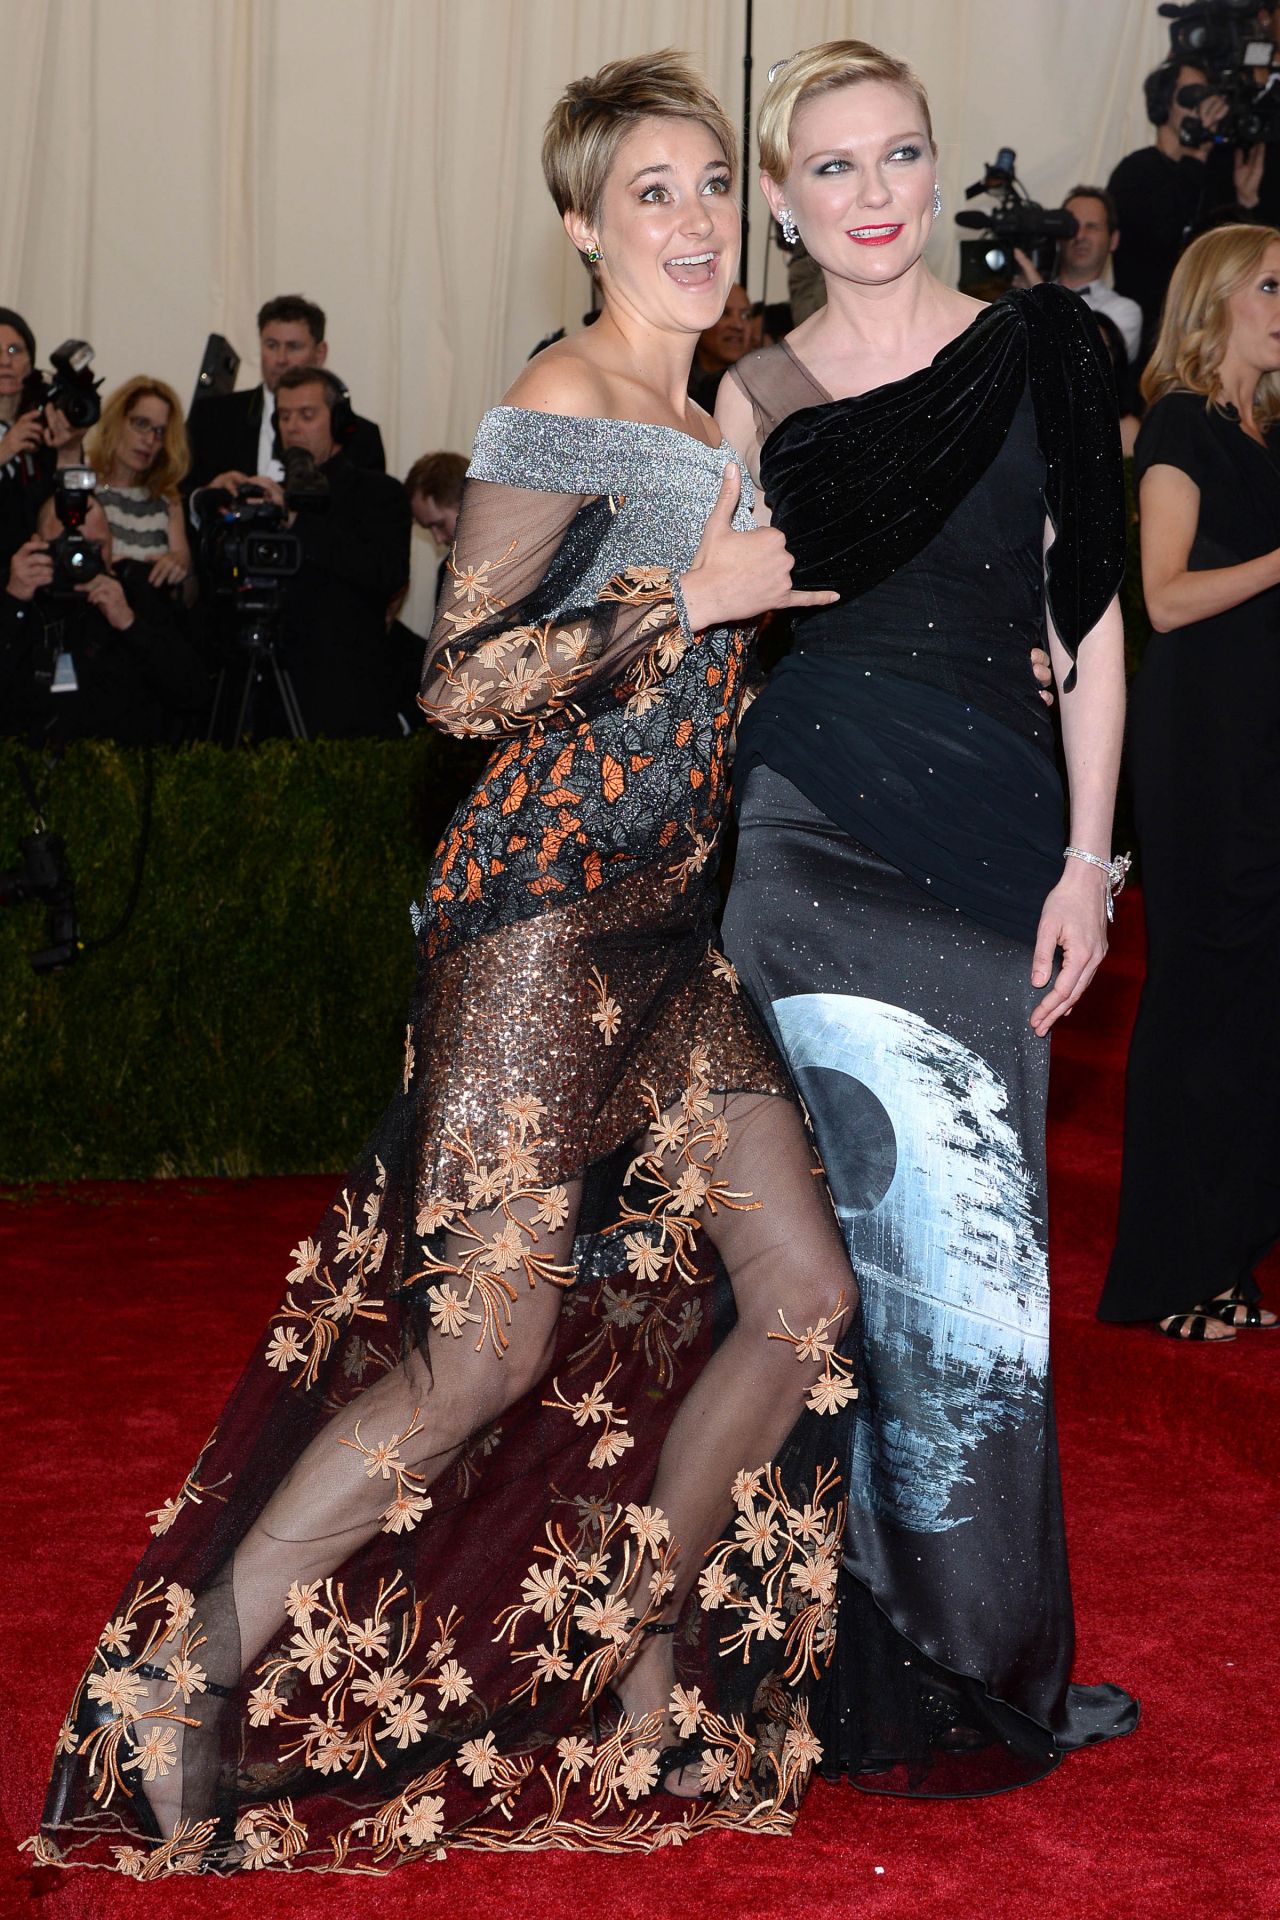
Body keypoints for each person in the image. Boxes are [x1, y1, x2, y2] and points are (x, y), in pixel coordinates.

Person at [33, 53, 862, 1877]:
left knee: (801, 1290)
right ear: (582, 224)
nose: (696, 218)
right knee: (481, 1359)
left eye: (710, 184)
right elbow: (460, 677)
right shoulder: (566, 398)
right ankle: (184, 1675)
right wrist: (685, 596)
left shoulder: (720, 403)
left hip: (668, 936)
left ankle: (628, 1648)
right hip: (536, 927)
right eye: (651, 190)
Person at [716, 40, 1138, 1790]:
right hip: (802, 840)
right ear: (783, 200)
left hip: (989, 842)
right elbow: (713, 628)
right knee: (814, 1280)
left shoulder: (1045, 350)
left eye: (899, 155)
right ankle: (815, 1657)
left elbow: (1090, 615)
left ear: (935, 166)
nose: (873, 193)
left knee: (976, 1274)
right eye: (832, 166)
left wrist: (1092, 862)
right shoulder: (755, 390)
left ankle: (980, 1658)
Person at [1098, 225, 1280, 1341]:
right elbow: (1162, 599)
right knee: (1198, 998)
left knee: (1254, 1008)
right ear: (1216, 300)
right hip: (1203, 745)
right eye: (1272, 285)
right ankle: (1166, 1276)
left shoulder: (1267, 435)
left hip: (1262, 739)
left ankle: (1223, 1256)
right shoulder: (1176, 422)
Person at [196, 366, 411, 739]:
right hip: (267, 694)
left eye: (307, 415)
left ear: (338, 422)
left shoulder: (379, 492)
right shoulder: (265, 497)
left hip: (343, 696)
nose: (293, 427)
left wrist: (296, 520)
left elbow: (386, 574)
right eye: (284, 416)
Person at [1, 497, 208, 746]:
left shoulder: (138, 594)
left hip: (119, 760)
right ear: (37, 544)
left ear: (112, 545)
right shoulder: (16, 591)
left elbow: (193, 694)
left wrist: (129, 624)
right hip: (26, 759)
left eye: (95, 547)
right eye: (66, 546)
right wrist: (13, 603)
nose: (79, 559)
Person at [1108, 60, 1262, 364]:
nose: (1202, 106)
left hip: (1209, 339)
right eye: (1191, 95)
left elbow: (1237, 261)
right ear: (1164, 104)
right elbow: (1166, 239)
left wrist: (1247, 202)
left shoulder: (1212, 172)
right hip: (1155, 341)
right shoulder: (1136, 172)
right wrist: (1194, 158)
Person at [185, 294, 385, 491]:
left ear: (320, 353)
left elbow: (369, 506)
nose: (281, 359)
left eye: (294, 347)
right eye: (271, 346)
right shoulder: (211, 417)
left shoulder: (360, 436)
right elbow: (180, 495)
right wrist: (208, 496)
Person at [1014, 186, 1143, 365]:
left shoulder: (1123, 311)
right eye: (1072, 226)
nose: (1080, 236)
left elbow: (1088, 365)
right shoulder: (1022, 293)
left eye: (1092, 227)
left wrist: (1040, 295)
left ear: (1113, 240)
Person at [85, 377, 193, 587]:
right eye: (141, 424)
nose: (150, 440)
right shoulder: (82, 482)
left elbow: (188, 589)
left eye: (160, 432)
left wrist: (178, 566)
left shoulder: (167, 500)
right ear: (117, 420)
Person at [686, 279, 751, 408]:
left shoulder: (761, 390)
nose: (738, 325)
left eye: (745, 316)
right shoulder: (672, 389)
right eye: (724, 313)